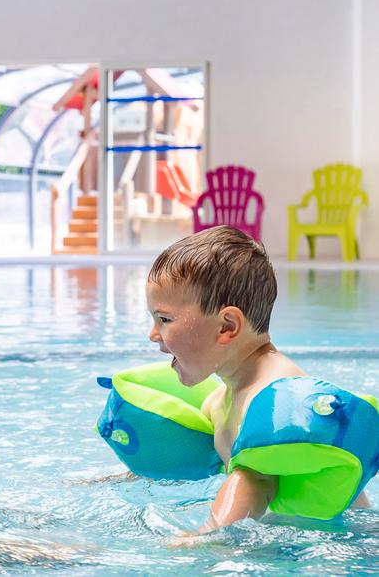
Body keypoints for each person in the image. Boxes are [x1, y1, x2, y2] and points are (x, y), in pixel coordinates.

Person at [145, 226, 370, 533]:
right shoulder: (221, 400)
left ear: (227, 327)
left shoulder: (274, 396)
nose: (153, 334)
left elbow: (256, 480)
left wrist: (203, 537)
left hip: (348, 539)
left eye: (164, 319)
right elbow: (185, 457)